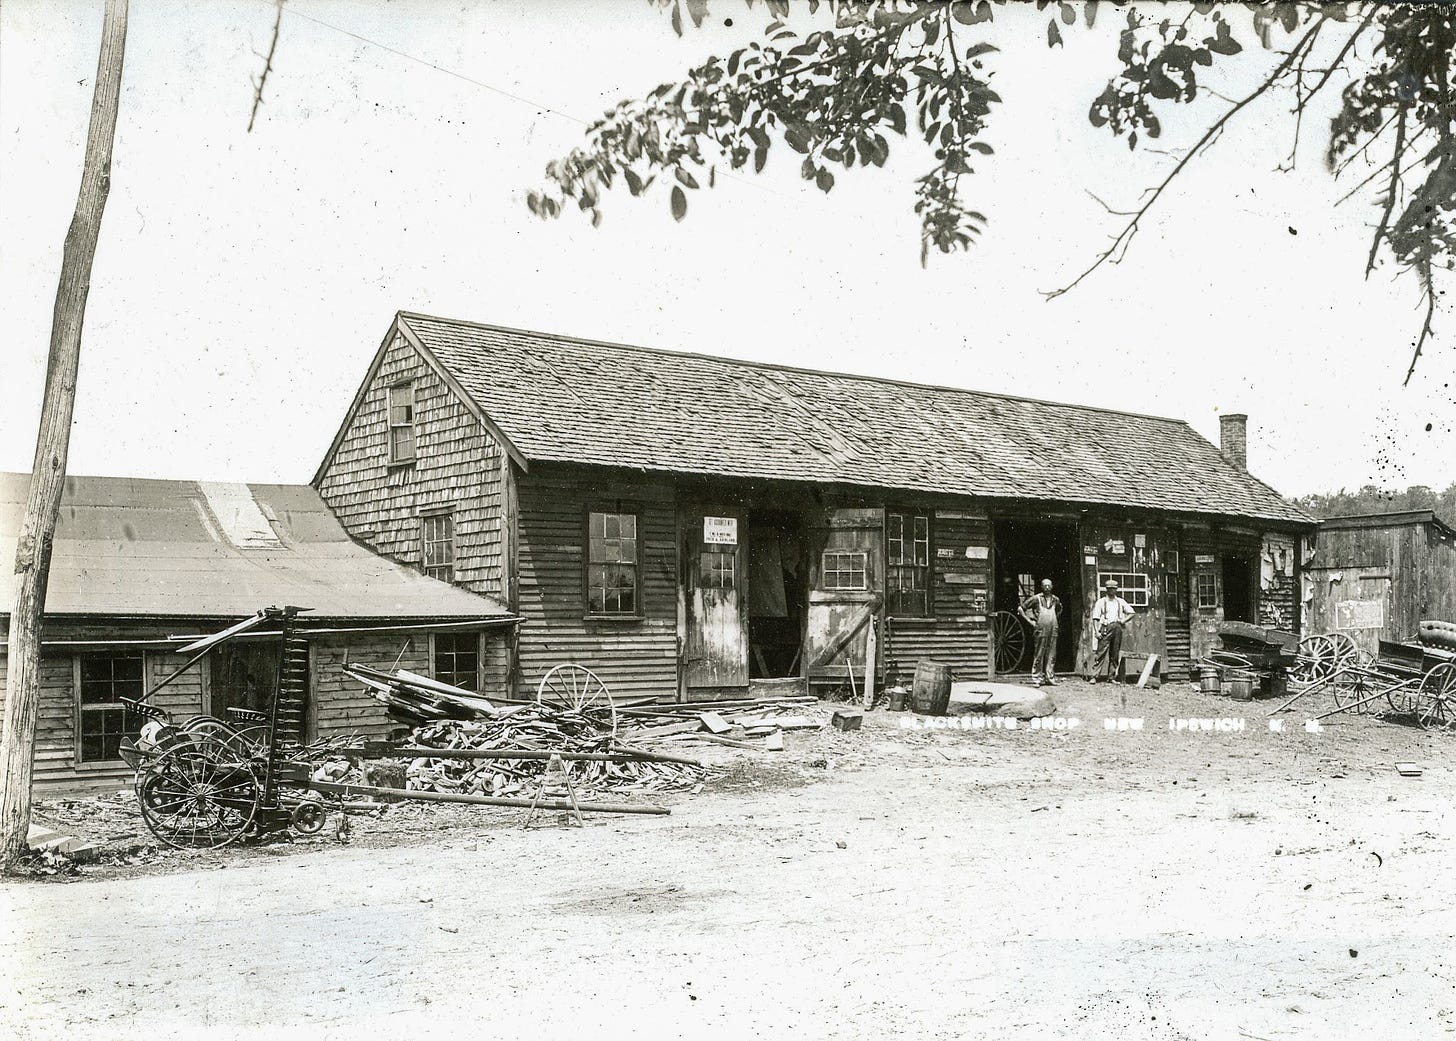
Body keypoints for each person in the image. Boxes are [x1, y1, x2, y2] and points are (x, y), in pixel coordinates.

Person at [1018, 579, 1063, 687]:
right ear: (1042, 587)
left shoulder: (1055, 599)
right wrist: (1031, 622)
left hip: (1053, 629)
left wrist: (1054, 620)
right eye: (1045, 586)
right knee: (1039, 654)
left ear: (1052, 586)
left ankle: (1049, 677)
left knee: (1051, 654)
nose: (1047, 587)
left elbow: (1060, 610)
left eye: (1049, 585)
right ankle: (1037, 678)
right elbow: (1020, 609)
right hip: (1040, 629)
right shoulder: (1036, 598)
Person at [1090, 579, 1135, 683]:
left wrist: (1123, 620)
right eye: (1110, 589)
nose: (1112, 591)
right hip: (1105, 628)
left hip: (1117, 628)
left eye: (1114, 589)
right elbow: (1095, 618)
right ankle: (1094, 676)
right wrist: (1097, 632)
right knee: (1101, 653)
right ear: (1106, 589)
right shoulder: (1101, 602)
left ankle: (1111, 677)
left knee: (1114, 654)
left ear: (1116, 589)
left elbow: (1132, 612)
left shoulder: (1120, 601)